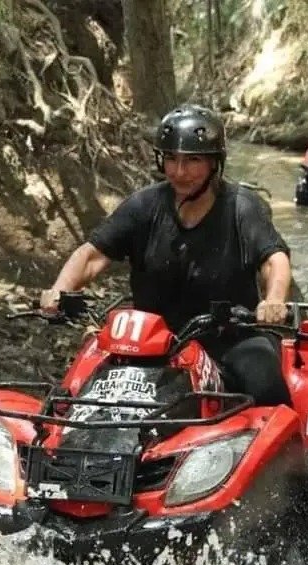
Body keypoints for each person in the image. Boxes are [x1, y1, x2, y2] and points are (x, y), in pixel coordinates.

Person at [38, 104, 294, 407]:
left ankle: (292, 452)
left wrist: (274, 300)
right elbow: (91, 256)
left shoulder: (241, 206)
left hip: (231, 338)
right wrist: (59, 291)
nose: (179, 172)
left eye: (192, 160)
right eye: (171, 159)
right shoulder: (144, 206)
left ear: (214, 163)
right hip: (148, 343)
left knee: (263, 381)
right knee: (77, 388)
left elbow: (273, 259)